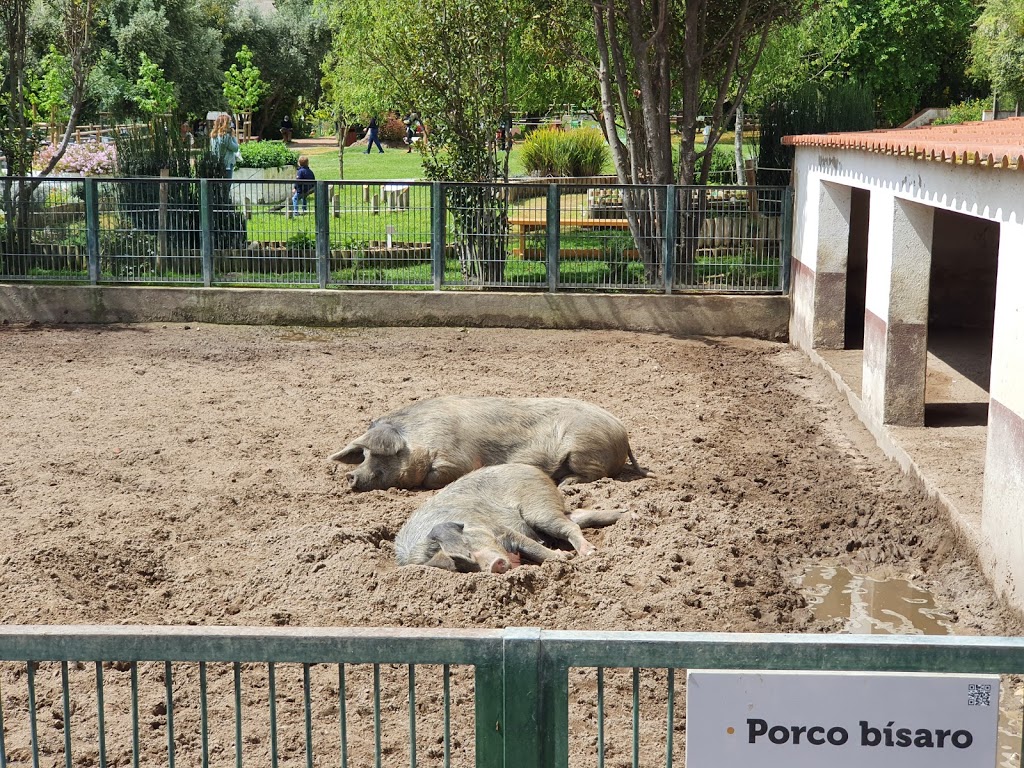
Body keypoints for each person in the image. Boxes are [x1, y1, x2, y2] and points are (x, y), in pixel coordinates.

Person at [209, 114, 240, 178]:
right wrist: (233, 136)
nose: (230, 125)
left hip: (216, 164)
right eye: (229, 123)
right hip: (227, 166)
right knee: (226, 186)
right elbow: (236, 148)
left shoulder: (213, 136)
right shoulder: (226, 137)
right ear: (225, 124)